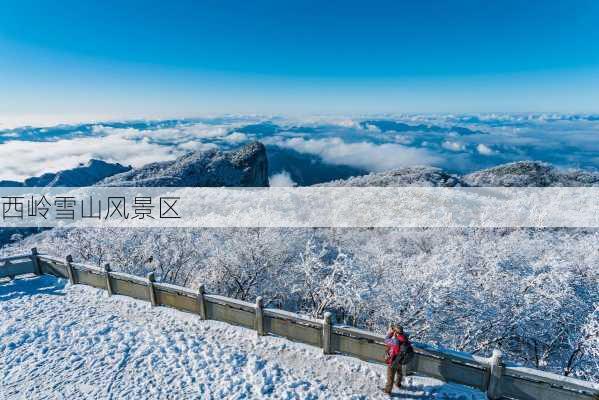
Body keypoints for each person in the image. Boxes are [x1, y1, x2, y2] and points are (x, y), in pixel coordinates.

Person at [383, 323, 413, 394]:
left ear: (396, 332)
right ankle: (398, 384)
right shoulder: (405, 339)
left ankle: (387, 390)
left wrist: (391, 333)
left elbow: (386, 340)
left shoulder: (395, 341)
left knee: (390, 376)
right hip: (401, 360)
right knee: (399, 373)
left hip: (393, 361)